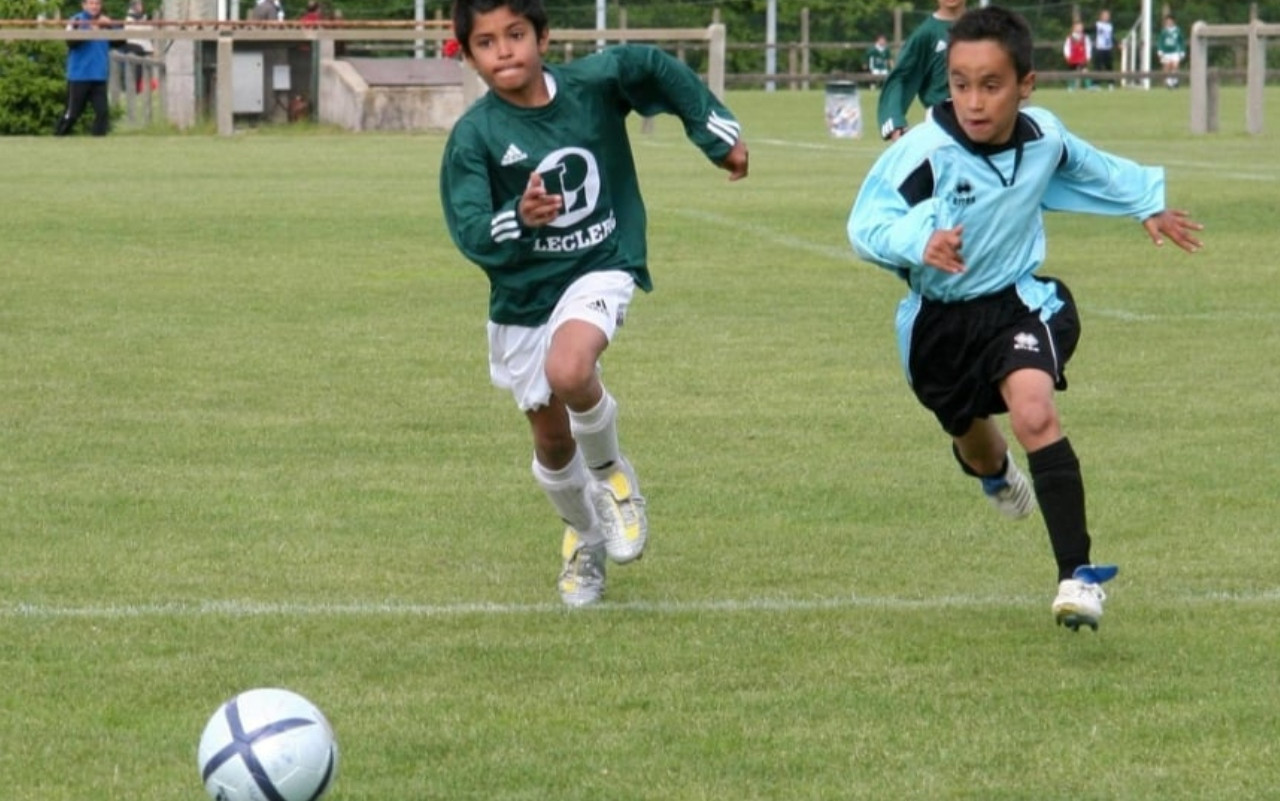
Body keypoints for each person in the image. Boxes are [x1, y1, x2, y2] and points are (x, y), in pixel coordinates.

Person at [847, 5, 1203, 631]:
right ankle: (995, 474)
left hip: (1018, 303)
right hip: (937, 326)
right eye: (960, 84)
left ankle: (1078, 577)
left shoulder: (1043, 137)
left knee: (1035, 412)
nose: (974, 101)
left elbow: (1090, 165)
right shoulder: (925, 151)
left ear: (1025, 85)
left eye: (991, 85)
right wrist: (918, 240)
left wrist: (1146, 203)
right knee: (978, 446)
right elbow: (865, 224)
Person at [439, 0, 749, 607]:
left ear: (543, 36)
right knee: (553, 442)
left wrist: (715, 135)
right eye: (486, 42)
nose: (504, 51)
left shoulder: (592, 85)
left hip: (599, 263)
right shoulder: (474, 136)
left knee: (571, 368)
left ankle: (612, 476)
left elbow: (653, 67)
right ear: (469, 57)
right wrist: (518, 216)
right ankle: (585, 537)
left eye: (515, 34)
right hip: (524, 294)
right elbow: (470, 230)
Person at [877, 0, 966, 141]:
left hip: (979, 122)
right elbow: (900, 77)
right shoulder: (926, 33)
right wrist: (895, 122)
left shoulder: (984, 28)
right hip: (941, 126)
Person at [55, 0, 113, 137]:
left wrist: (110, 26)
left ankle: (98, 143)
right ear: (84, 5)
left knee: (102, 112)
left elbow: (121, 41)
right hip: (79, 75)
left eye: (97, 4)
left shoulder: (106, 22)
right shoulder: (76, 20)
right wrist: (91, 29)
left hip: (99, 76)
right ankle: (59, 136)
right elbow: (70, 42)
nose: (94, 7)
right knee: (72, 113)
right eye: (91, 3)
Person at [1156, 14, 1186, 89]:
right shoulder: (1164, 31)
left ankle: (1175, 81)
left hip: (1175, 51)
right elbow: (1160, 41)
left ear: (1173, 22)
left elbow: (1181, 41)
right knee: (1167, 66)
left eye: (1170, 21)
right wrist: (1160, 50)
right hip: (1166, 52)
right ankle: (1169, 82)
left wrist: (1182, 51)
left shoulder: (1177, 30)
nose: (1169, 22)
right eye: (1167, 21)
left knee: (1175, 66)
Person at [1062, 20, 1091, 91]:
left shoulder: (1085, 37)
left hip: (1082, 58)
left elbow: (1088, 47)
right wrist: (1067, 56)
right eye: (1077, 27)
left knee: (1085, 71)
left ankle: (1088, 86)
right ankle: (1070, 87)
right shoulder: (1069, 38)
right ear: (1074, 28)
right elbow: (1066, 47)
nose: (1079, 28)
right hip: (1073, 58)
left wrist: (1088, 56)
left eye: (1081, 27)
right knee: (1072, 73)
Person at [1091, 9, 1115, 89]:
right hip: (1099, 48)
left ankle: (1111, 83)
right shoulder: (1097, 24)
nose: (1106, 17)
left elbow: (1112, 37)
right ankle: (1095, 84)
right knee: (1097, 67)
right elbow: (1090, 30)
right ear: (1101, 16)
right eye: (1104, 15)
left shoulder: (1110, 26)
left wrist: (1118, 44)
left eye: (1107, 16)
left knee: (1109, 67)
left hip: (1108, 48)